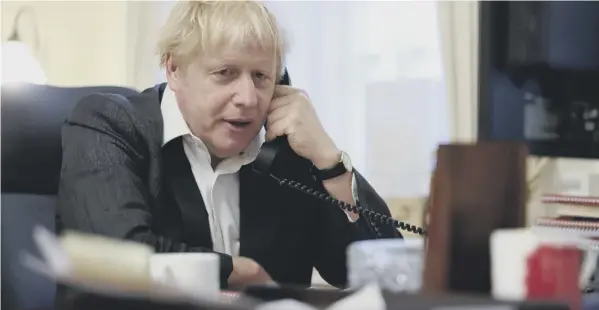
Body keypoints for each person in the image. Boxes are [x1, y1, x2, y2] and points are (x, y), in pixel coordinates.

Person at [57, 0, 400, 297]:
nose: (249, 99)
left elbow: (386, 278)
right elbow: (116, 254)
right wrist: (237, 271)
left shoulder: (284, 152)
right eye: (225, 73)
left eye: (261, 77)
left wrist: (329, 162)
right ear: (174, 68)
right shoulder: (108, 123)